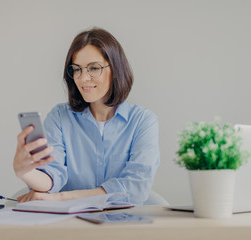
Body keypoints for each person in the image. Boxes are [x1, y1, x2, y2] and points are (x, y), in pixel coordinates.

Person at [13, 27, 160, 205]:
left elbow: (135, 189)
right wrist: (24, 171)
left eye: (94, 68)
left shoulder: (142, 121)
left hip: (123, 226)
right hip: (70, 227)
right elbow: (51, 179)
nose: (83, 78)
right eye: (77, 69)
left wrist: (62, 197)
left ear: (115, 69)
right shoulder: (59, 117)